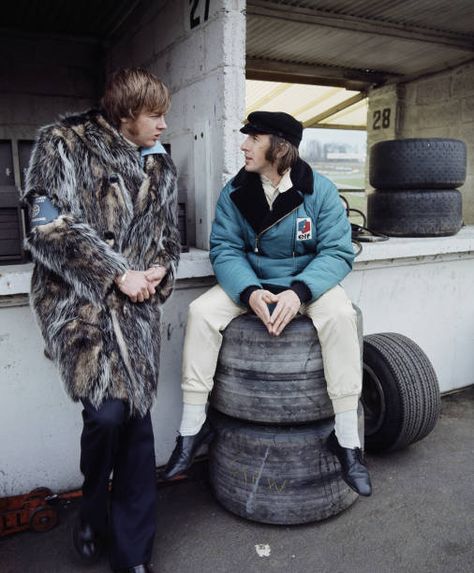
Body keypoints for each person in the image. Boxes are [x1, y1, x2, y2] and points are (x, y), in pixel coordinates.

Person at [162, 111, 371, 497]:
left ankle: (346, 442)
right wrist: (249, 292)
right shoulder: (235, 192)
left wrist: (300, 292)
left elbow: (338, 252)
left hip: (307, 284)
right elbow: (225, 249)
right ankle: (191, 432)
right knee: (201, 312)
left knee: (342, 315)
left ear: (278, 146)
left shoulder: (320, 191)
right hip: (253, 281)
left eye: (253, 139)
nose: (243, 146)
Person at [23, 68, 181, 573]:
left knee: (137, 427)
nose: (162, 126)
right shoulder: (62, 143)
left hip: (136, 313)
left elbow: (167, 237)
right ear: (126, 114)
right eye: (155, 116)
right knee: (107, 416)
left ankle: (133, 556)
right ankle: (92, 511)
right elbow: (45, 225)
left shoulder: (160, 166)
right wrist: (115, 273)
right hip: (80, 307)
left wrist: (163, 268)